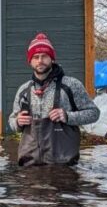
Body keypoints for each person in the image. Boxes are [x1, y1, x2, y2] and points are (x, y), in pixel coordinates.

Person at [8, 33, 100, 166]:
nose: (40, 60)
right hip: (30, 167)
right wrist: (17, 122)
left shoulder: (71, 85)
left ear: (52, 59)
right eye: (36, 57)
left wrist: (67, 116)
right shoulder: (24, 90)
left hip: (64, 167)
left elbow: (94, 113)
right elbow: (12, 121)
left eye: (44, 56)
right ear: (30, 61)